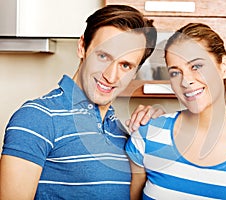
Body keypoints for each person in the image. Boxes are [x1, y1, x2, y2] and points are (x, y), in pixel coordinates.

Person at [0, 5, 161, 199]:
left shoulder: (121, 133)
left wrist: (144, 137)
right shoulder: (37, 118)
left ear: (135, 72)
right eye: (102, 56)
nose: (110, 76)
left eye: (125, 65)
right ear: (82, 47)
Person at [125, 23, 226, 200]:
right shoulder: (148, 136)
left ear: (223, 66)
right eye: (175, 73)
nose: (186, 81)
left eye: (196, 66)